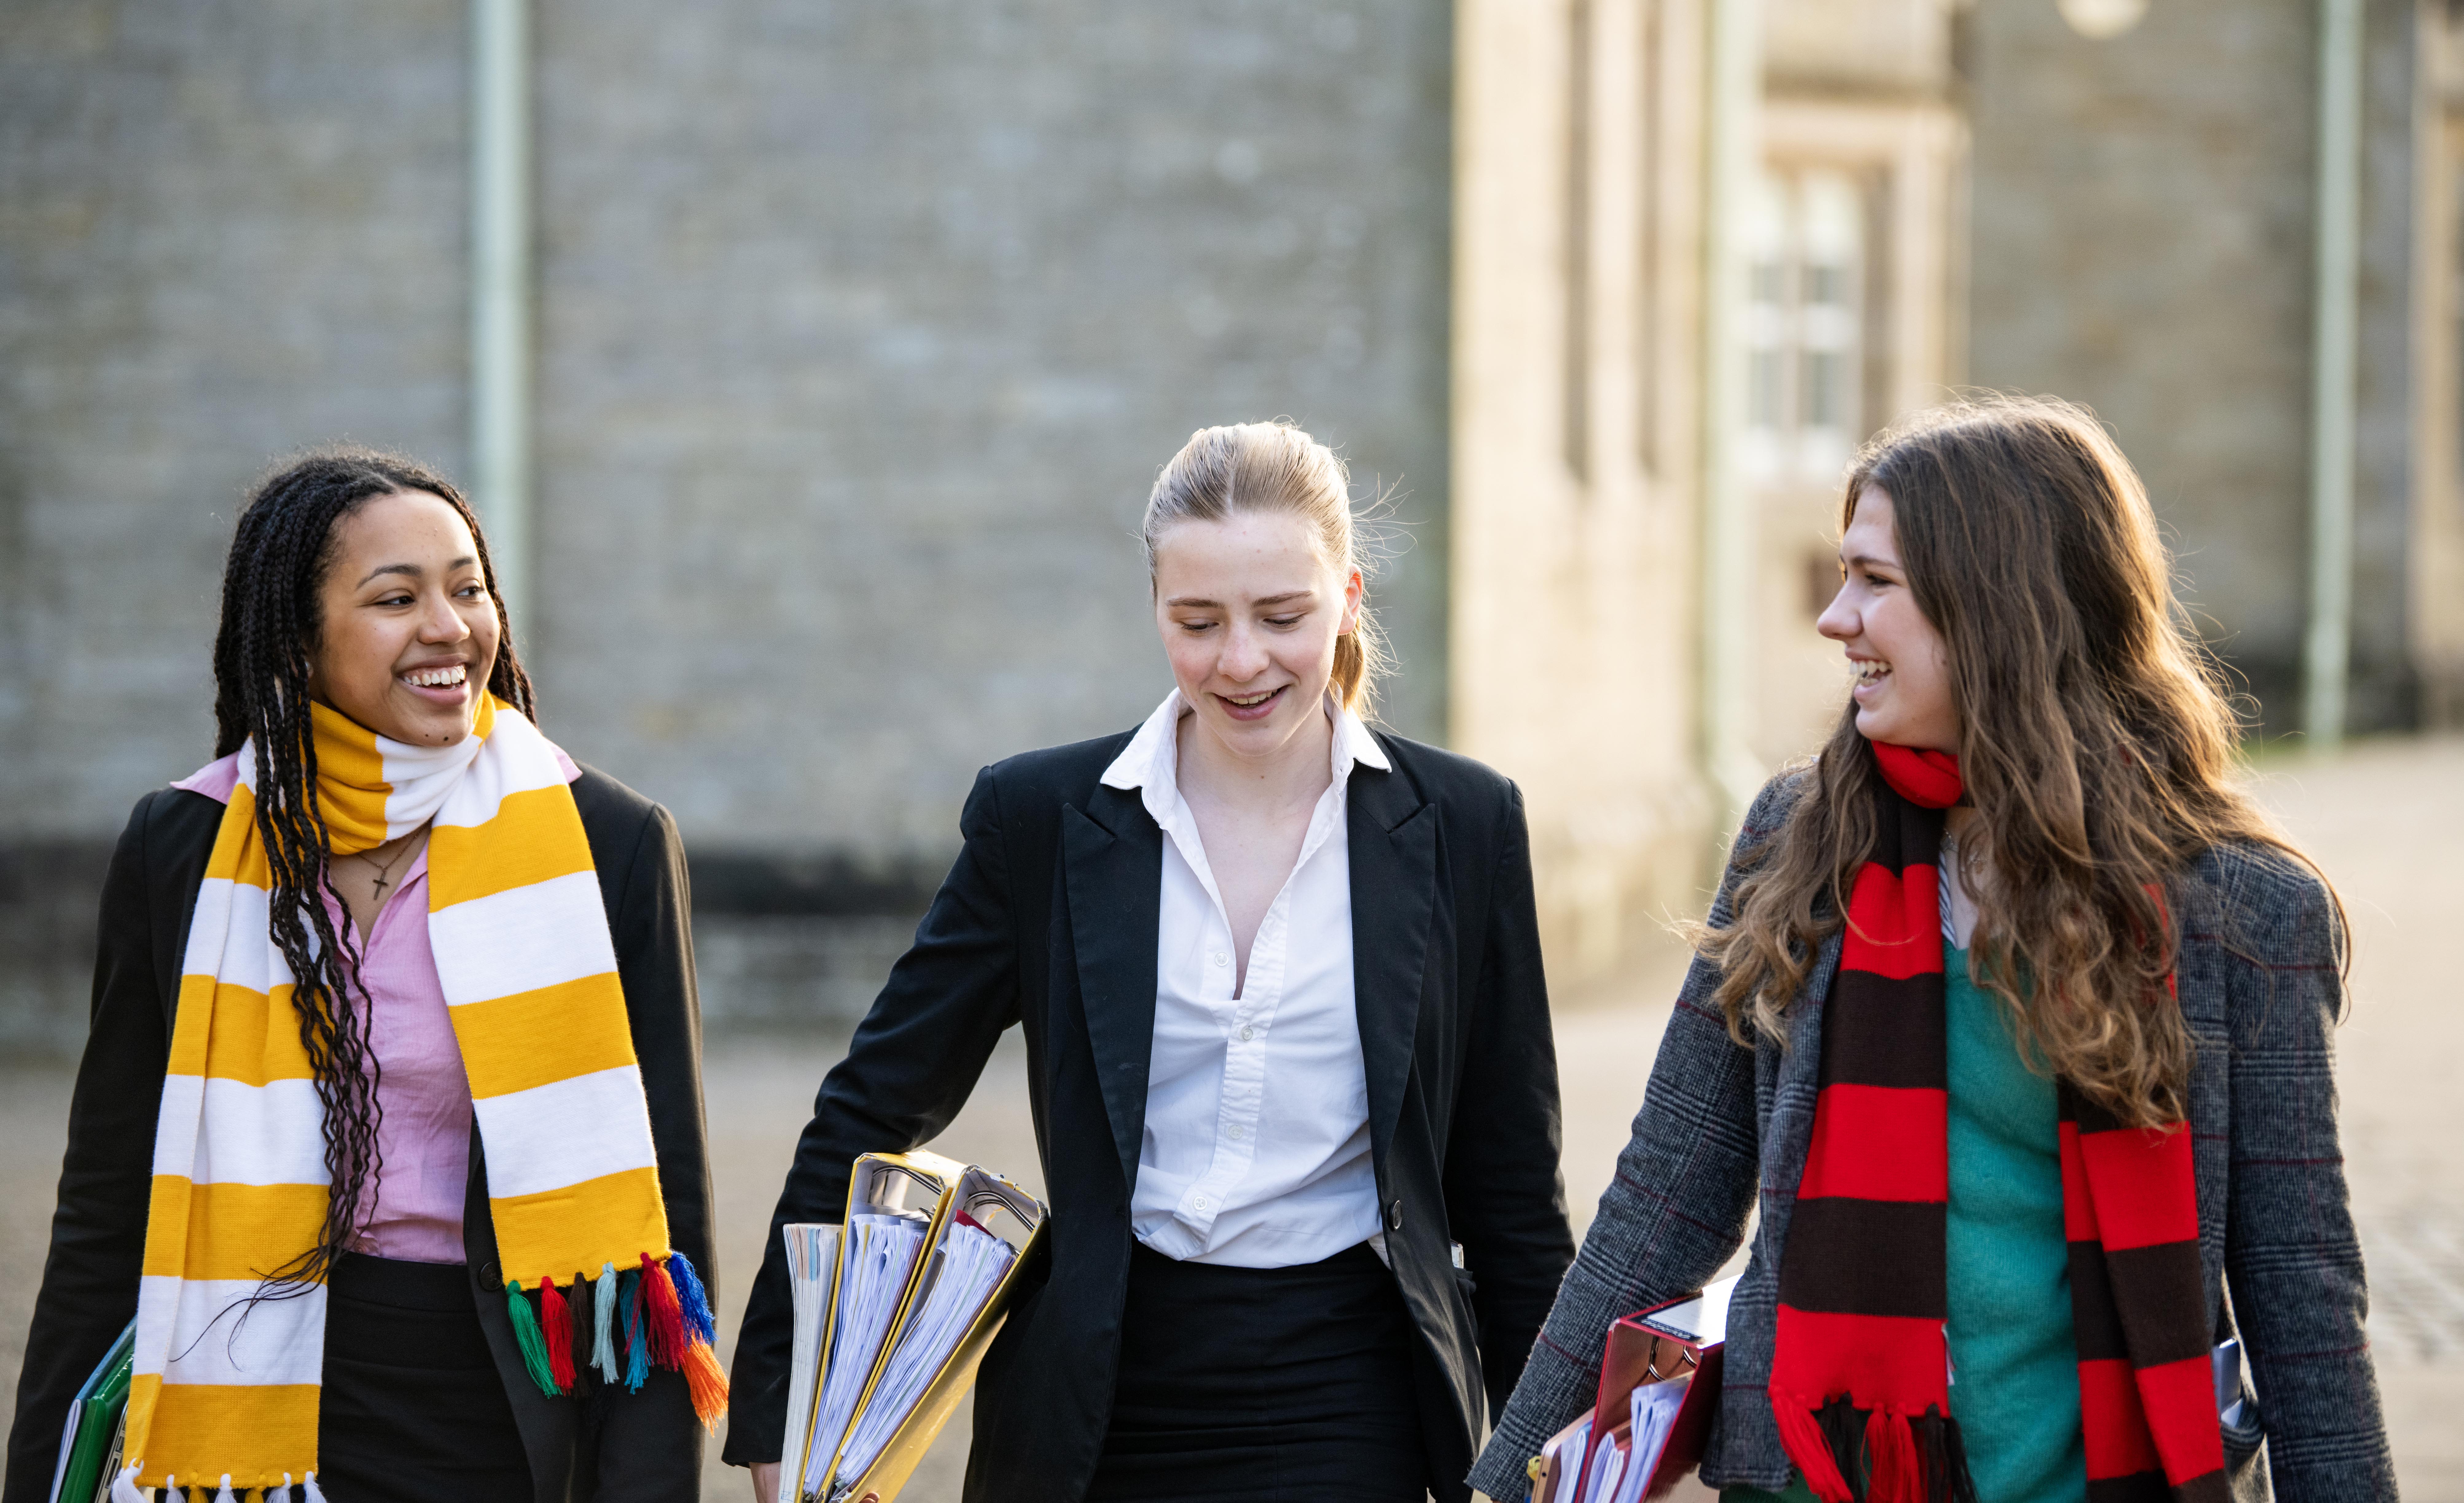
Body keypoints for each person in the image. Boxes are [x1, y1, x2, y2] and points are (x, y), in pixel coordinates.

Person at [1471, 397, 2397, 1503]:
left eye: (1875, 583)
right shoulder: (1799, 838)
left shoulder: (2242, 913)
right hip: (1814, 1476)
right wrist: (1515, 1476)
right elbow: (1668, 1195)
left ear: (1995, 608)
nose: (1834, 618)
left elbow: (2300, 1289)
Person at [728, 421, 1575, 1503]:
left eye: (1283, 617)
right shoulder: (1040, 819)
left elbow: (1511, 1194)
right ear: (1156, 612)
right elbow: (870, 1107)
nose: (1242, 661)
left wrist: (1561, 1448)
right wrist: (781, 1406)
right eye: (1198, 621)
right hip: (1098, 1391)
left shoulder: (1463, 824)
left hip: (1355, 1390)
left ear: (1350, 597)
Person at [4, 451, 723, 1503]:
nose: (451, 626)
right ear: (298, 643)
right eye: (397, 598)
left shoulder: (605, 844)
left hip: (503, 1418)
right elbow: (107, 1208)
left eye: (469, 588)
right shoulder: (186, 846)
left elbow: (662, 1233)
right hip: (251, 1398)